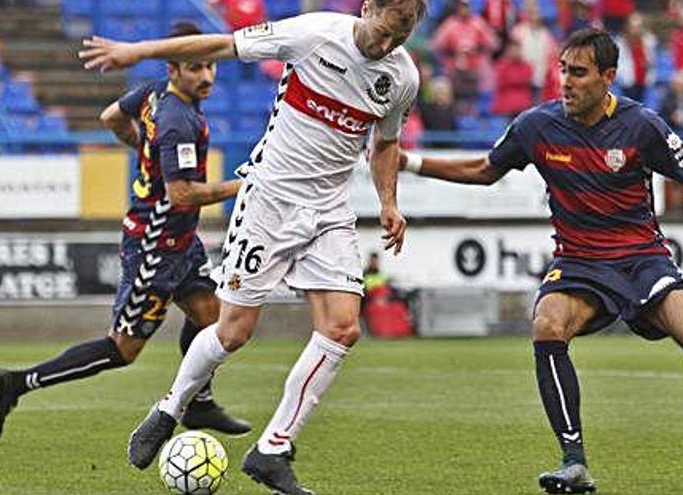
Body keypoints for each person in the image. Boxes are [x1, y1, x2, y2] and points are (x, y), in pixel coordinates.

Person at [399, 28, 683, 494]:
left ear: (608, 77)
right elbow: (484, 170)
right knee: (547, 324)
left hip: (641, 259)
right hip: (579, 263)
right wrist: (410, 162)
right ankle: (573, 460)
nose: (566, 82)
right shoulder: (537, 125)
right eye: (562, 71)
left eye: (578, 73)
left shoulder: (642, 125)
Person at [78, 1, 424, 493]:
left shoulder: (403, 77)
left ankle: (273, 449)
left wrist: (390, 201)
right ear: (368, 8)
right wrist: (139, 50)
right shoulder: (313, 34)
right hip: (269, 203)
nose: (388, 44)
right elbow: (219, 45)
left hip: (329, 212)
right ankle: (170, 407)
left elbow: (385, 143)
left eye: (402, 36)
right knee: (233, 331)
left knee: (343, 329)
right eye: (386, 30)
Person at [0, 23, 251, 442]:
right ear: (173, 69)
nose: (207, 76)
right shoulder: (179, 120)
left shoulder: (152, 94)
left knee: (209, 317)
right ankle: (17, 383)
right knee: (122, 350)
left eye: (211, 66)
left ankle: (198, 405)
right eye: (196, 67)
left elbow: (112, 117)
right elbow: (182, 194)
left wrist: (147, 154)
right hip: (155, 244)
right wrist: (247, 183)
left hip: (180, 241)